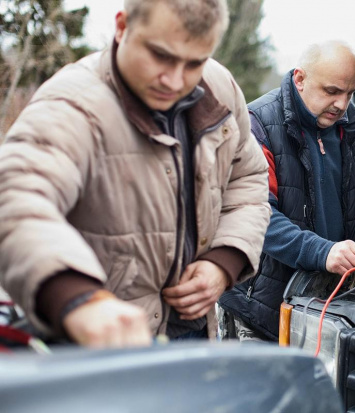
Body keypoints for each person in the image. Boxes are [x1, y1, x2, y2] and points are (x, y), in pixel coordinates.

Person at [0, 0, 271, 348]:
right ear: (122, 26)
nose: (174, 80)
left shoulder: (219, 89)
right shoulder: (72, 104)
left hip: (192, 334)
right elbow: (16, 199)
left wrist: (224, 261)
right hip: (95, 345)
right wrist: (78, 298)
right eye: (160, 56)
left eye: (194, 63)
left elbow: (247, 179)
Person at [218, 41, 355, 341]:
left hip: (331, 304)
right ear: (300, 79)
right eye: (331, 91)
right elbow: (254, 216)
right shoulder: (256, 125)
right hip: (262, 310)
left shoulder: (349, 127)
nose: (342, 104)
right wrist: (323, 251)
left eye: (350, 92)